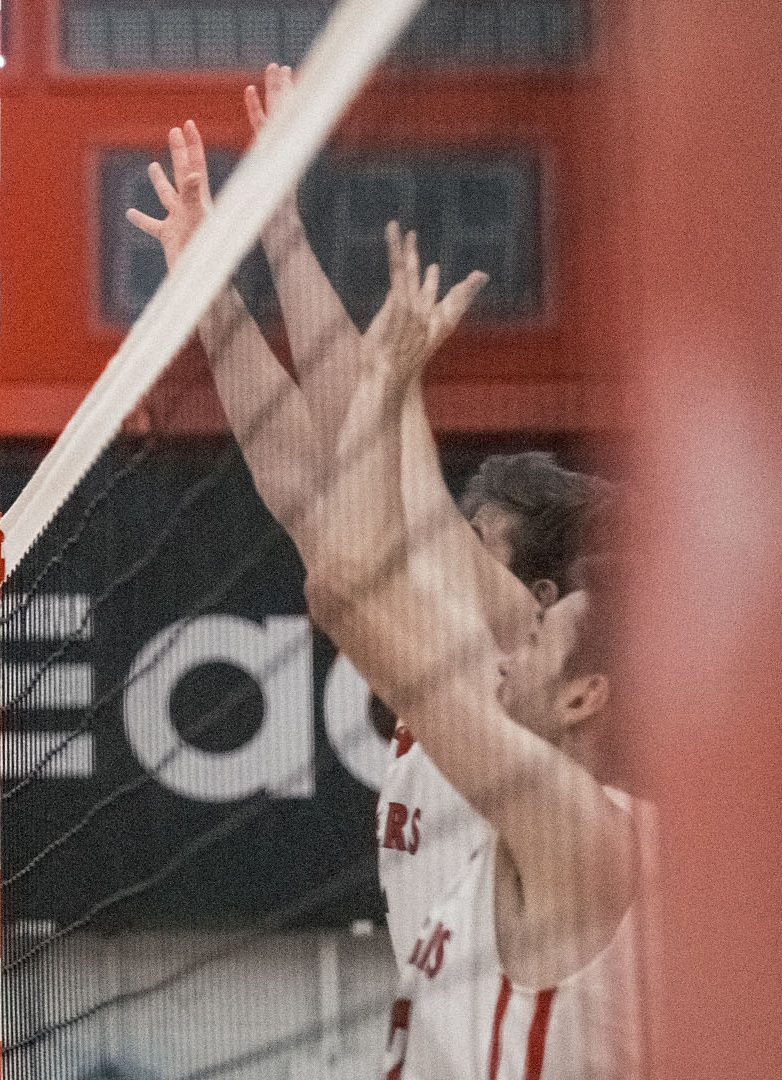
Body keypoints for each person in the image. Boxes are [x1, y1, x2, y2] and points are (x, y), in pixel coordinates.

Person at [127, 74, 643, 1079]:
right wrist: (220, 283)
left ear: (539, 600)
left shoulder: (518, 697)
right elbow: (313, 484)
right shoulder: (486, 690)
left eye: (480, 542)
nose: (442, 548)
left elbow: (370, 481)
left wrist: (282, 236)